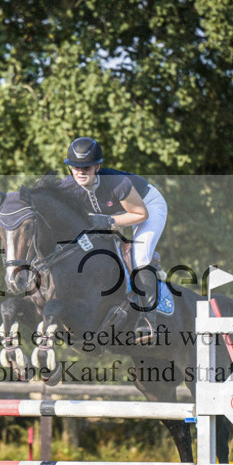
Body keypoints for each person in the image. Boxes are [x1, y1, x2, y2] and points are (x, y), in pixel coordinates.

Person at [56, 136, 168, 344]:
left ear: (97, 166)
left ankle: (148, 318)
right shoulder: (67, 187)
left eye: (86, 168)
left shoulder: (117, 183)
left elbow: (140, 215)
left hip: (146, 207)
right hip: (112, 214)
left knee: (140, 255)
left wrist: (108, 220)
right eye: (75, 167)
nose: (80, 172)